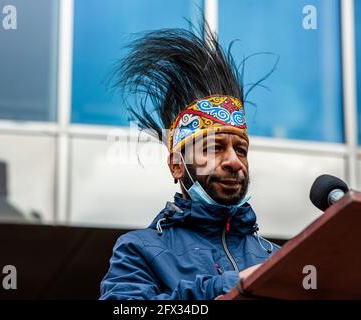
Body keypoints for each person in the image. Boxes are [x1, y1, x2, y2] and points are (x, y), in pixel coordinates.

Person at [100, 23, 280, 300]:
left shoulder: (277, 259)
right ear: (176, 165)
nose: (234, 161)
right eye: (214, 148)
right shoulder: (139, 249)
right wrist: (228, 287)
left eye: (241, 150)